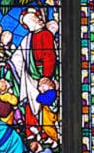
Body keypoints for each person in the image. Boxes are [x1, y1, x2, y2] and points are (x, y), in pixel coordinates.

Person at [8, 8, 57, 139]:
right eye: (35, 19)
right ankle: (32, 132)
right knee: (29, 102)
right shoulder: (27, 39)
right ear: (28, 24)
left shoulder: (46, 34)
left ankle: (47, 135)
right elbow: (18, 56)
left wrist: (47, 76)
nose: (39, 20)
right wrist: (9, 63)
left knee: (43, 104)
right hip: (30, 75)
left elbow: (50, 55)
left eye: (38, 18)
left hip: (43, 75)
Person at [37, 77, 58, 148]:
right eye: (40, 86)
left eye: (42, 86)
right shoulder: (49, 93)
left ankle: (55, 139)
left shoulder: (52, 93)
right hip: (46, 115)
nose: (40, 88)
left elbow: (47, 101)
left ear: (49, 85)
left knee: (48, 127)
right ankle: (50, 138)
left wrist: (39, 97)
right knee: (45, 127)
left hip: (50, 115)